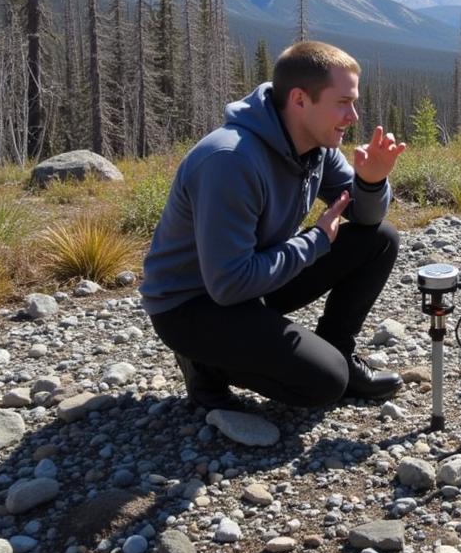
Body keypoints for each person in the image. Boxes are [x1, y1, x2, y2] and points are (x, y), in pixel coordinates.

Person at [141, 40, 406, 411]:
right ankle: (205, 363)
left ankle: (339, 350)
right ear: (300, 100)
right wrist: (315, 241)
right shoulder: (230, 160)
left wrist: (372, 182)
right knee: (325, 383)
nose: (354, 116)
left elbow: (366, 217)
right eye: (343, 103)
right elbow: (229, 285)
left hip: (252, 278)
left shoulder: (317, 145)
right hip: (193, 305)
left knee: (380, 239)